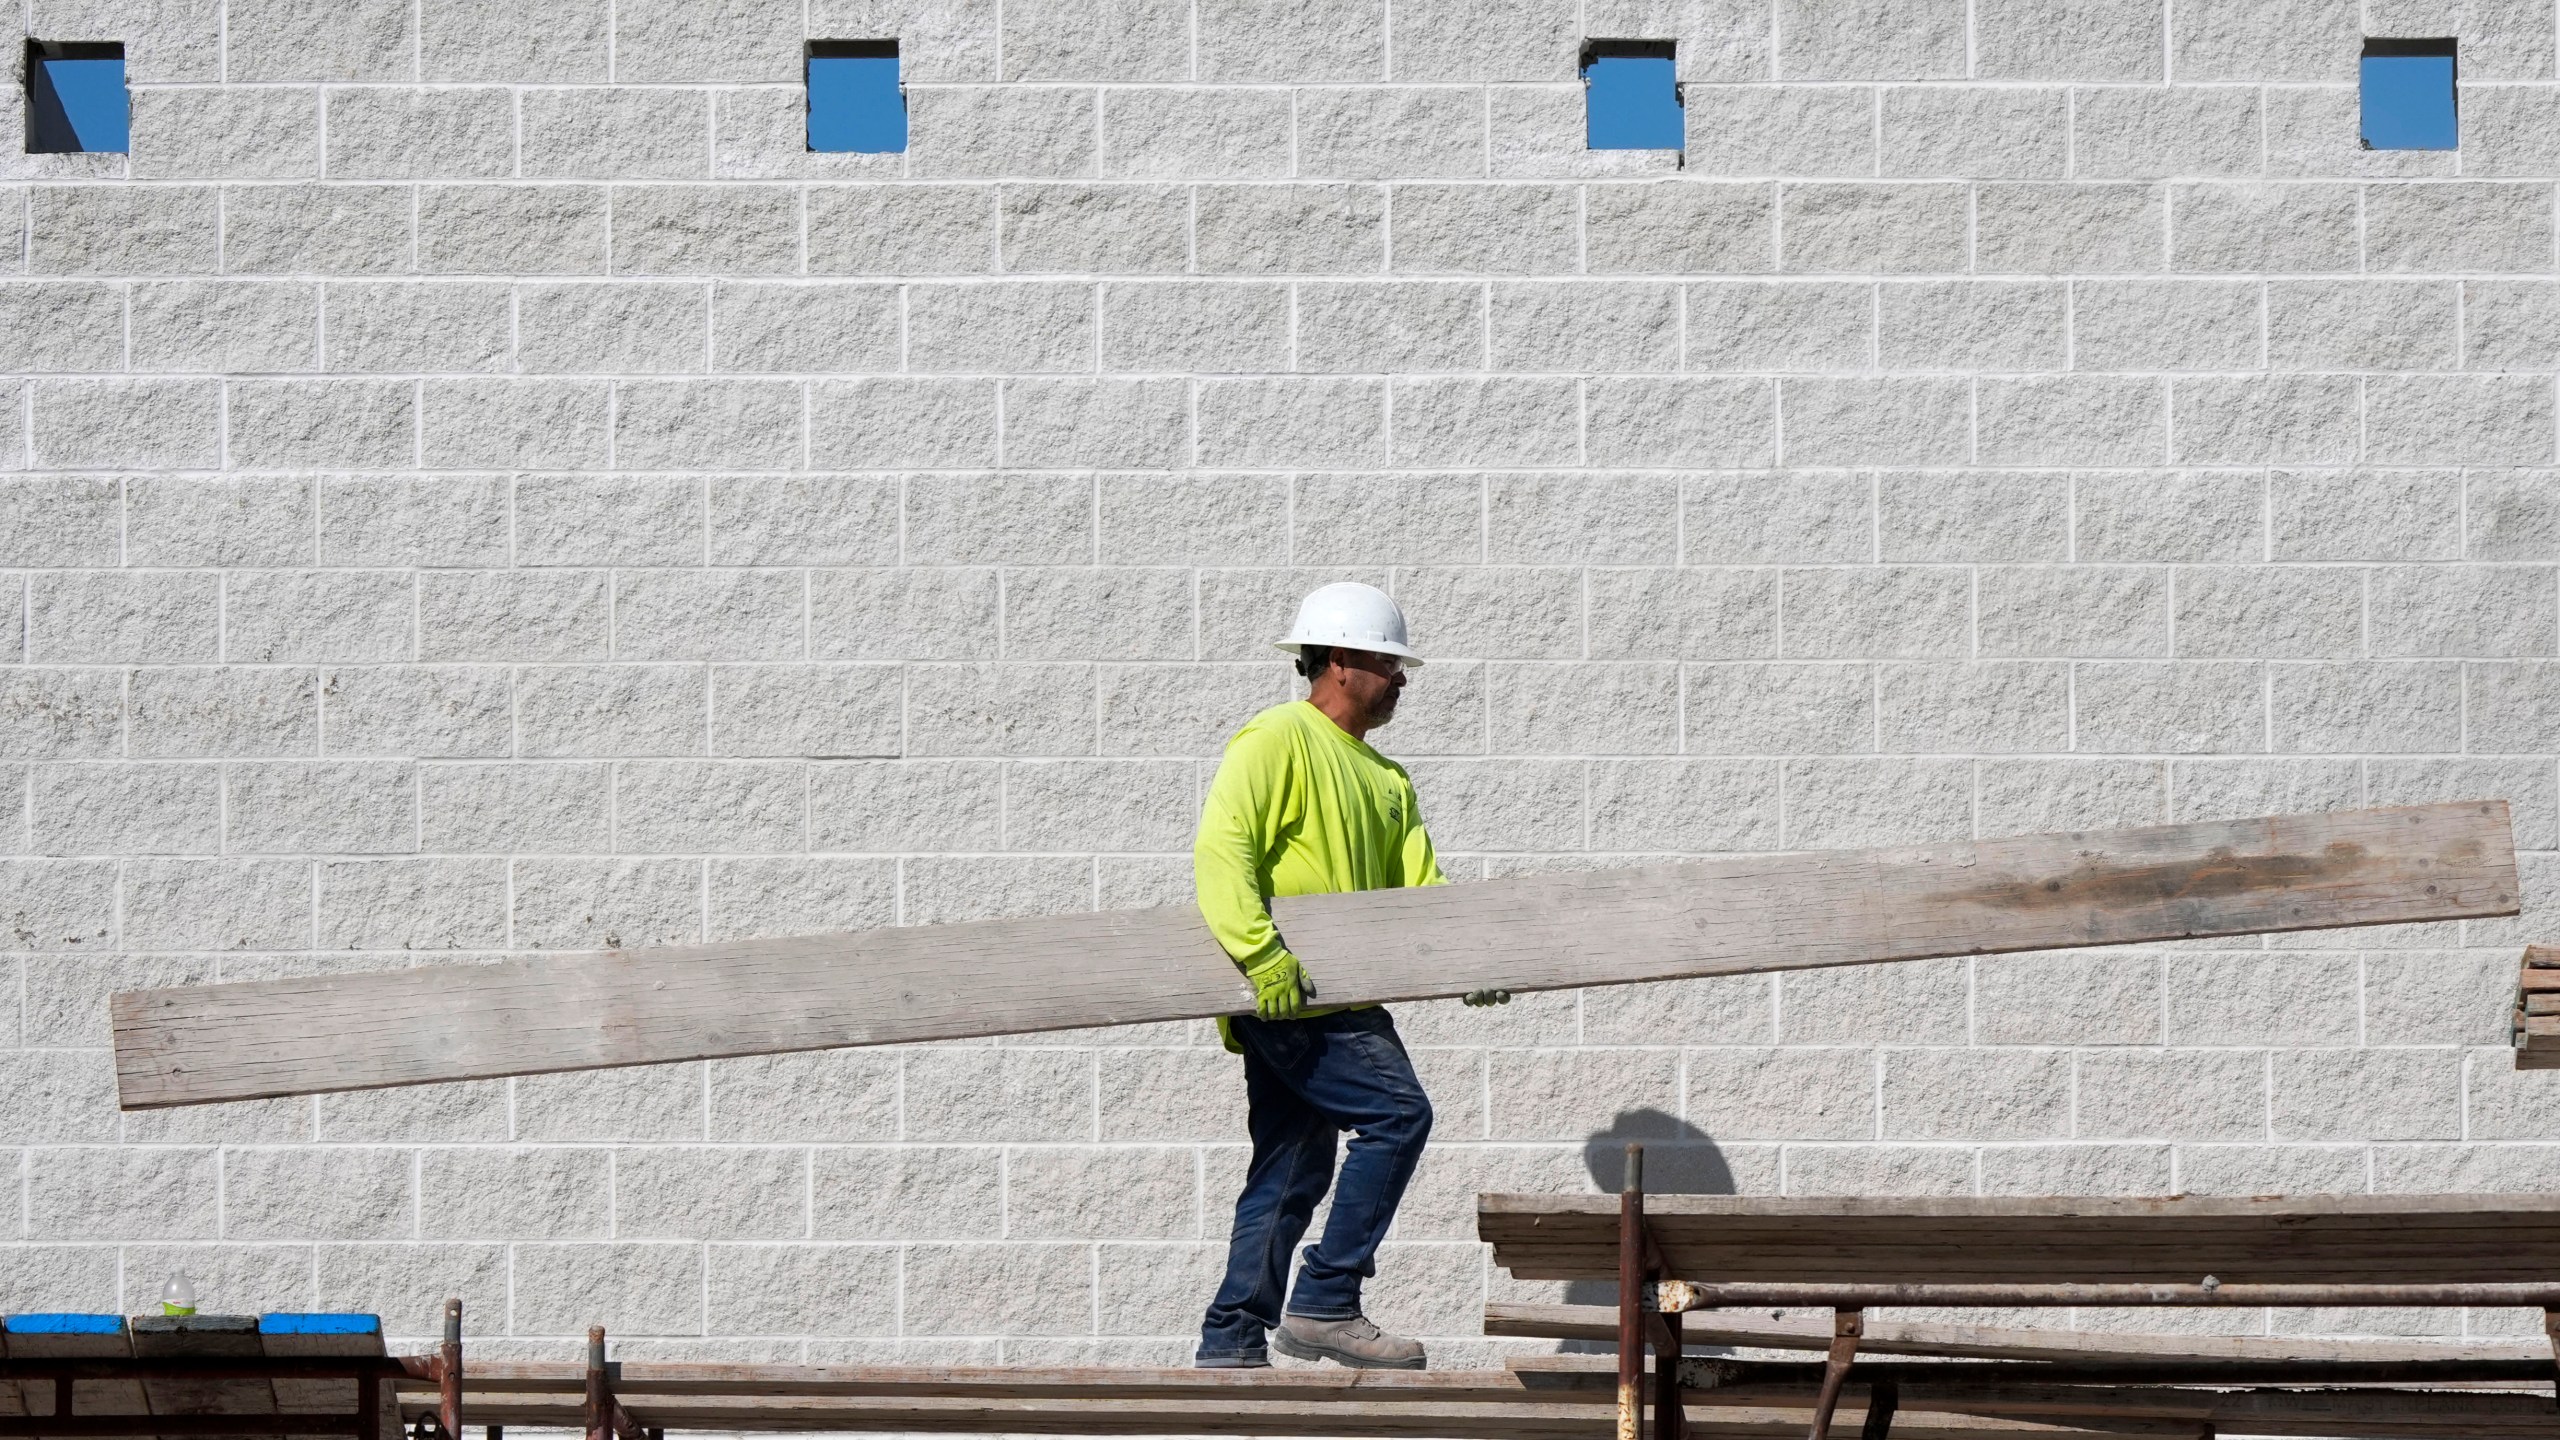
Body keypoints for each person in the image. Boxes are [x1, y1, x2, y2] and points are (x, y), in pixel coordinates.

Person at [1191, 581, 1511, 1371]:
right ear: (1338, 661)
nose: (1401, 679)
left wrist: (1472, 958)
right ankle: (1326, 1298)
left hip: (1323, 999)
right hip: (1296, 995)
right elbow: (1221, 853)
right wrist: (1262, 955)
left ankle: (1232, 1337)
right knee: (1399, 1115)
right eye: (1386, 662)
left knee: (1293, 1168)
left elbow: (1421, 899)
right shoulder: (1275, 740)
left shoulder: (1388, 781)